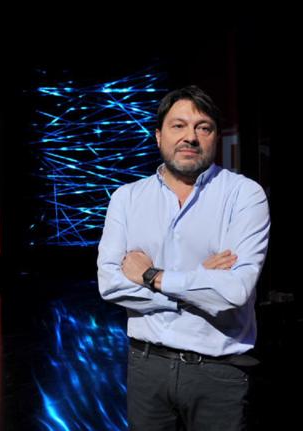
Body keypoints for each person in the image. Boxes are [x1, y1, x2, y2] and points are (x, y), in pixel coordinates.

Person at [97, 85, 270, 430]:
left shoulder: (244, 195)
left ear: (216, 136)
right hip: (147, 367)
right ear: (158, 135)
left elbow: (233, 292)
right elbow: (110, 285)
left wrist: (153, 276)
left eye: (203, 127)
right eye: (178, 125)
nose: (190, 136)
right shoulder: (126, 199)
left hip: (219, 373)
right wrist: (198, 282)